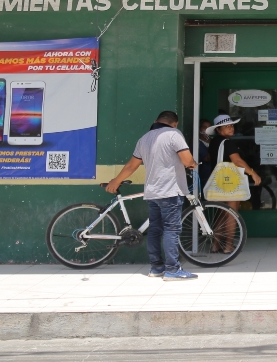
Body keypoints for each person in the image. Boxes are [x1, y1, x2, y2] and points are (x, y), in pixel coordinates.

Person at [107, 110, 198, 280]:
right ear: (174, 123)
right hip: (170, 191)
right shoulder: (174, 134)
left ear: (156, 120)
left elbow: (131, 166)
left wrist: (116, 181)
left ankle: (156, 268)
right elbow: (187, 161)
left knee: (155, 230)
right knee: (172, 230)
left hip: (152, 193)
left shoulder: (145, 138)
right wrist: (193, 164)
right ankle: (173, 269)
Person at [205, 114, 262, 252]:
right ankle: (228, 245)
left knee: (221, 213)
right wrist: (252, 172)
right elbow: (237, 161)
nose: (231, 128)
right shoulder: (228, 143)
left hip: (218, 182)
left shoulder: (214, 142)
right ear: (218, 129)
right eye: (226, 126)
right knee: (231, 213)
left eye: (231, 125)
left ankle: (215, 245)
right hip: (228, 183)